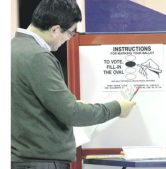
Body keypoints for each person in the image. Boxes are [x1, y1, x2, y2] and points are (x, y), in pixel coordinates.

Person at [11, 0, 136, 168]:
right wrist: (117, 107)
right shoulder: (37, 57)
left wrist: (65, 104)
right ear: (55, 29)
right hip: (41, 161)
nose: (69, 39)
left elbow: (28, 104)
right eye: (70, 33)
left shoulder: (13, 49)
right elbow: (72, 114)